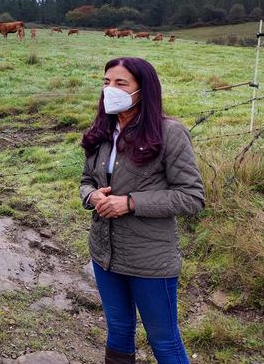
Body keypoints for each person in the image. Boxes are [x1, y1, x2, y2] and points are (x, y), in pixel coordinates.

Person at [79, 57, 204, 364]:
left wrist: (131, 203)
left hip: (150, 261)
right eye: (106, 82)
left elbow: (192, 197)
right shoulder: (101, 132)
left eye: (121, 83)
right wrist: (93, 196)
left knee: (164, 340)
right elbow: (84, 182)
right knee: (118, 331)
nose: (110, 89)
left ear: (143, 90)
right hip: (104, 254)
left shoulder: (170, 134)